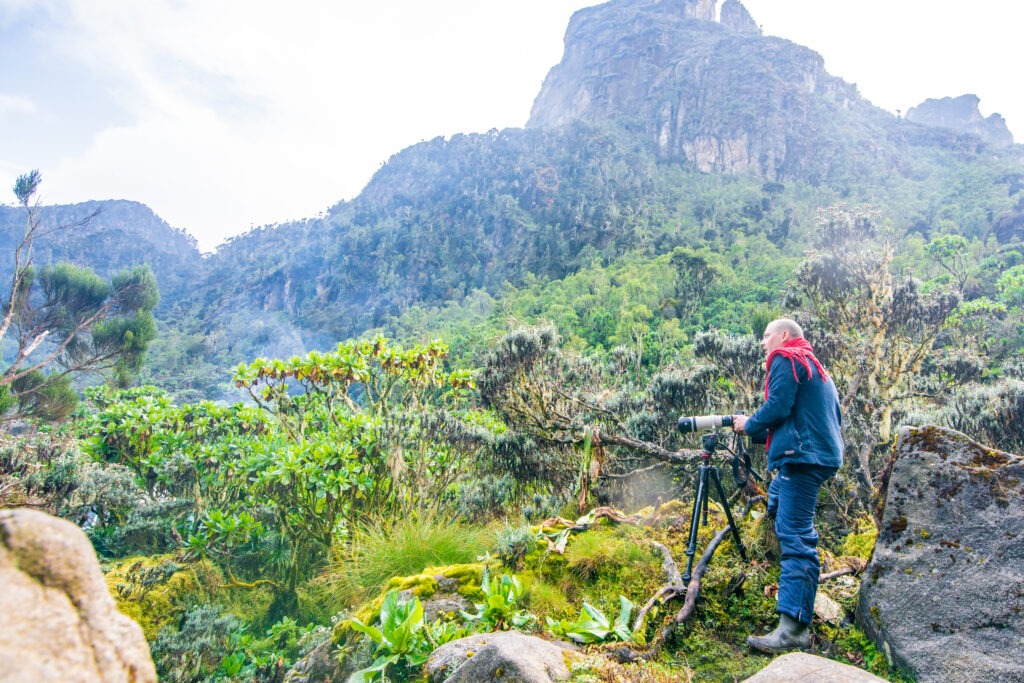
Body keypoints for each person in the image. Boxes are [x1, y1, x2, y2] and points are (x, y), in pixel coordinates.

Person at [731, 318, 843, 653]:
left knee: (796, 536)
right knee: (777, 502)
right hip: (815, 455)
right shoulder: (813, 365)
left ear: (783, 336)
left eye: (766, 337)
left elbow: (777, 407)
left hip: (802, 459)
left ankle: (793, 627)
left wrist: (749, 423)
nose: (763, 344)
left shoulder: (786, 358)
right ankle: (790, 592)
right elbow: (797, 416)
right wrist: (757, 430)